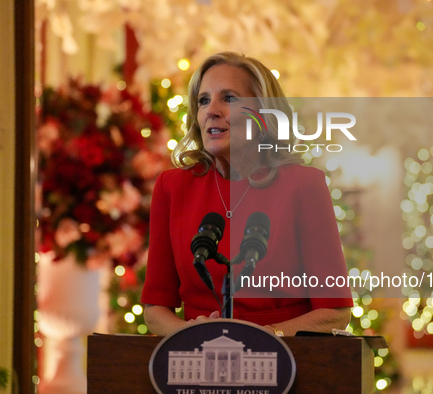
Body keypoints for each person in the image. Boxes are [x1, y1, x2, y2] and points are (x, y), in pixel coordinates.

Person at [141, 51, 353, 336]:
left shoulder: (304, 185)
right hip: (196, 360)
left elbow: (335, 312)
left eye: (229, 98)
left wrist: (266, 337)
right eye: (203, 100)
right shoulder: (171, 186)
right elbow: (155, 308)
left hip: (286, 361)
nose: (211, 110)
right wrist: (187, 335)